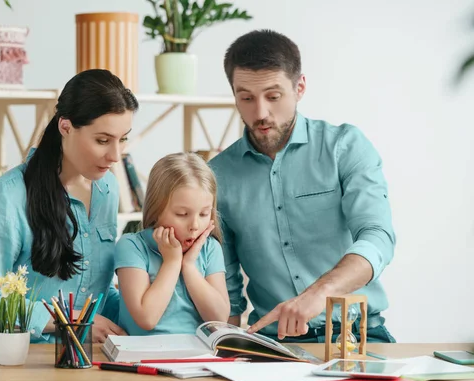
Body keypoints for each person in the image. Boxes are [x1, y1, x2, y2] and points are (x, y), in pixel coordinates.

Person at [208, 29, 397, 343]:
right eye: (246, 98)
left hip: (360, 337)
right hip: (273, 344)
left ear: (300, 87)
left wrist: (317, 294)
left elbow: (377, 237)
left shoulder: (345, 147)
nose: (260, 113)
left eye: (273, 96)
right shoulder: (217, 176)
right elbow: (226, 287)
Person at [0, 69, 138, 344]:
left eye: (122, 139)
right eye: (102, 140)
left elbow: (92, 289)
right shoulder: (10, 196)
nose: (115, 155)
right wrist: (72, 320)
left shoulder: (107, 188)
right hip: (20, 366)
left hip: (86, 362)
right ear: (65, 126)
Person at [114, 152, 230, 335]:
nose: (194, 225)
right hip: (142, 356)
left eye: (204, 214)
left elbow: (219, 319)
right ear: (156, 209)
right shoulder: (131, 246)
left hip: (196, 357)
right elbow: (146, 318)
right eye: (182, 214)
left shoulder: (210, 248)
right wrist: (172, 262)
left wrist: (189, 266)